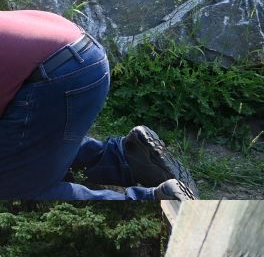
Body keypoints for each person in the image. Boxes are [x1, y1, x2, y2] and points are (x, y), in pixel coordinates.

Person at [0, 10, 197, 200]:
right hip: (77, 50)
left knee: (15, 189)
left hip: (58, 73)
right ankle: (128, 158)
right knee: (30, 140)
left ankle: (156, 201)